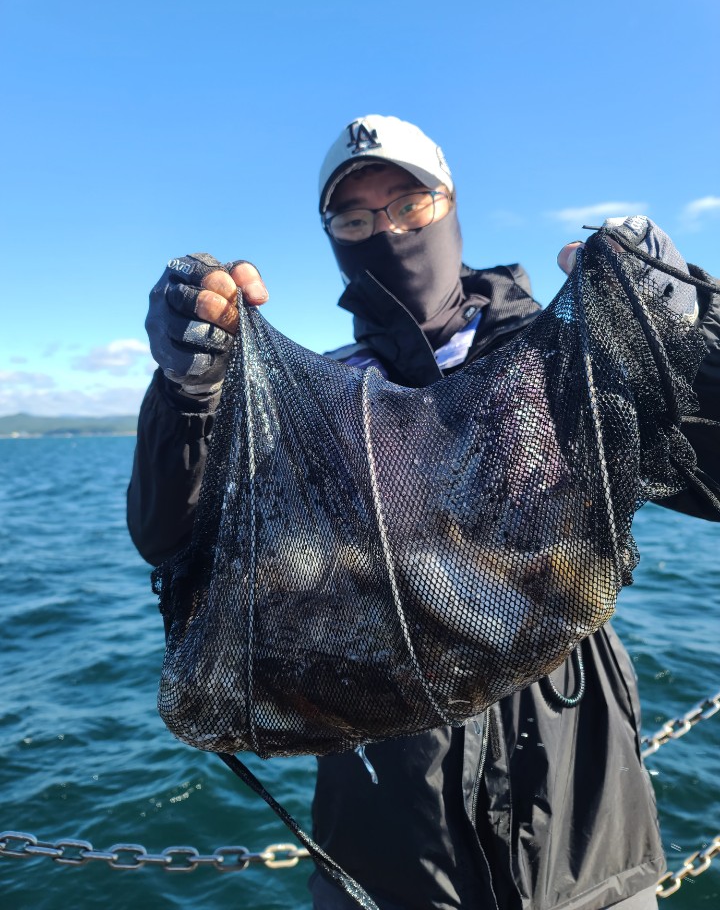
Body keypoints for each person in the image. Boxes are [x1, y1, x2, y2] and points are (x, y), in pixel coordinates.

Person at [128, 114, 720, 910]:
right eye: (355, 218)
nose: (387, 230)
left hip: (585, 836)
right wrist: (187, 395)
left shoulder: (568, 363)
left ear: (451, 205)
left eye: (410, 204)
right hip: (389, 847)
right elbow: (172, 540)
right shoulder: (308, 404)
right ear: (332, 236)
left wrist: (692, 335)